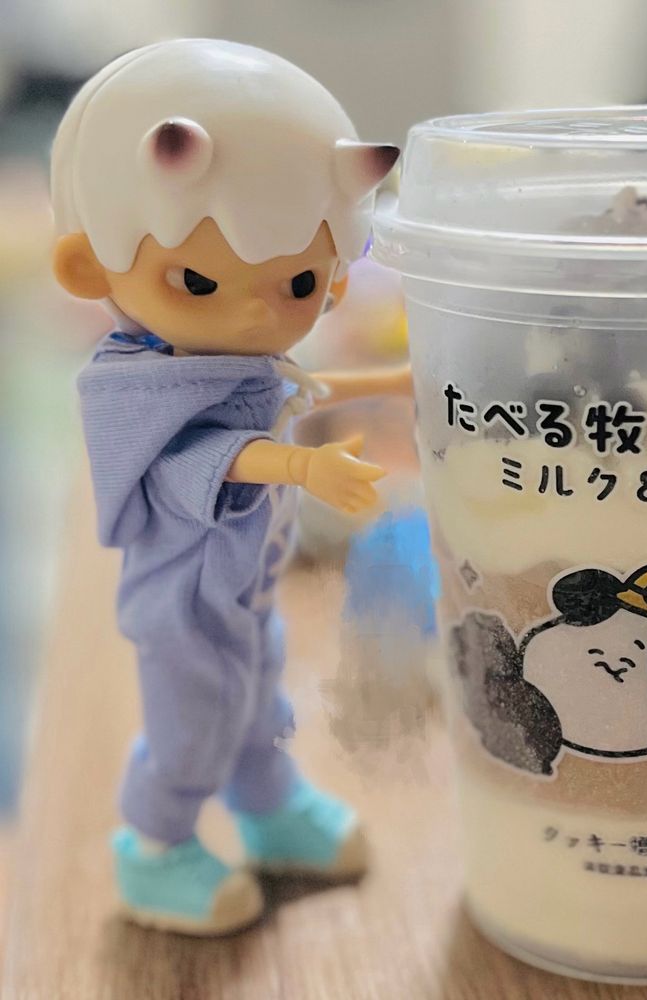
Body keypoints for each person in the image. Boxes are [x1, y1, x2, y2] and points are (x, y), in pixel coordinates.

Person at [51, 38, 407, 934]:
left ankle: (269, 806)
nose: (258, 311)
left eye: (298, 283)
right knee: (191, 728)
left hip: (245, 589)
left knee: (259, 703)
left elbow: (298, 389)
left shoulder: (244, 366)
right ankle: (155, 847)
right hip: (181, 605)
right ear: (89, 267)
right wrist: (301, 465)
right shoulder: (136, 392)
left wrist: (393, 378)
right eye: (201, 281)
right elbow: (195, 461)